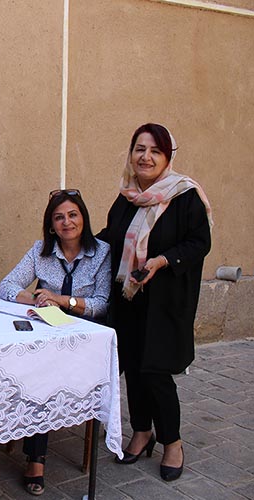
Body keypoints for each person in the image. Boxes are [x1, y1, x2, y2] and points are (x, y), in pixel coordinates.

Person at [97, 123, 212, 482]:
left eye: (155, 151)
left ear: (167, 157)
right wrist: (75, 243)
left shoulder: (184, 195)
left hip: (164, 300)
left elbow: (199, 243)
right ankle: (141, 431)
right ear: (131, 153)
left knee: (157, 372)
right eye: (139, 149)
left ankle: (172, 442)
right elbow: (111, 237)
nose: (145, 157)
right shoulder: (127, 196)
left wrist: (162, 261)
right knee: (133, 367)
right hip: (128, 298)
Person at [0, 188, 110, 496]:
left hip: (85, 340)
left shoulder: (102, 252)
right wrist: (35, 298)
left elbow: (102, 303)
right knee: (40, 375)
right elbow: (6, 285)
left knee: (45, 374)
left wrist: (61, 300)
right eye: (59, 217)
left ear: (84, 218)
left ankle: (36, 455)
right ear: (51, 225)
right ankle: (36, 458)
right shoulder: (41, 251)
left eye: (73, 215)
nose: (67, 222)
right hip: (48, 336)